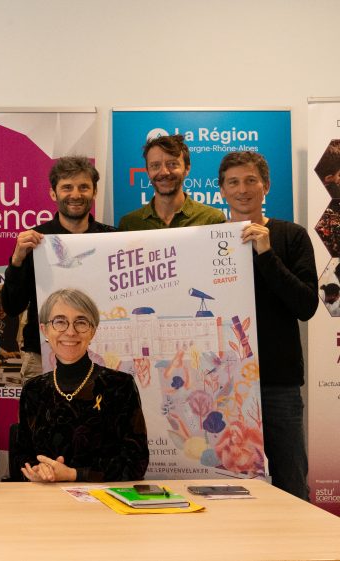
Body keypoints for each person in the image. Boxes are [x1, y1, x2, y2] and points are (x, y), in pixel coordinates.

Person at [219, 151, 318, 500]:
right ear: (222, 191)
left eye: (250, 180)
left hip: (278, 384)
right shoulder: (208, 240)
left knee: (291, 482)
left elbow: (306, 306)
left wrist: (266, 253)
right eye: (233, 182)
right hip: (224, 386)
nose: (242, 189)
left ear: (266, 186)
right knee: (227, 488)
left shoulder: (291, 235)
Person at [11, 289, 148, 482]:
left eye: (81, 322)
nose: (70, 331)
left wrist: (73, 474)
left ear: (92, 331)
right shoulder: (34, 390)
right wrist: (38, 469)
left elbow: (136, 462)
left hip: (104, 503)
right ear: (44, 330)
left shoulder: (119, 386)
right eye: (59, 321)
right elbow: (20, 457)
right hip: (46, 501)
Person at [1, 156, 117, 380]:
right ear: (53, 194)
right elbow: (12, 307)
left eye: (84, 187)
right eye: (67, 187)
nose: (75, 194)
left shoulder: (114, 239)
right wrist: (16, 261)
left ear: (94, 193)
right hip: (43, 356)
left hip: (104, 354)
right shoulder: (34, 242)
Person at [118, 134, 225, 230]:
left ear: (187, 169)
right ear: (147, 172)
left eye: (172, 164)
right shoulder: (129, 224)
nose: (164, 172)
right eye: (155, 166)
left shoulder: (212, 220)